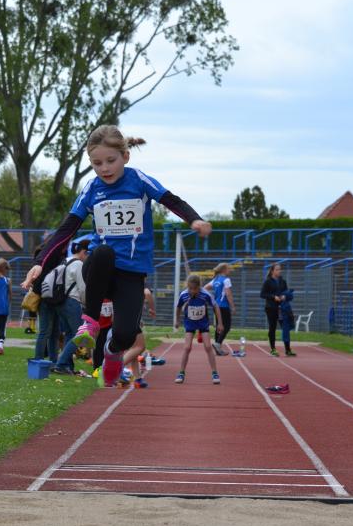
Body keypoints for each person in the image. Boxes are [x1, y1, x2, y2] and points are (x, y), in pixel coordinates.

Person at [22, 125, 212, 387]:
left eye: (110, 161)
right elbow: (67, 229)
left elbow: (171, 200)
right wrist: (39, 263)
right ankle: (89, 323)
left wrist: (194, 219)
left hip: (131, 273)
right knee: (103, 252)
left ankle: (112, 354)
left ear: (125, 156)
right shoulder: (92, 188)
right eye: (97, 163)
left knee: (126, 334)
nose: (104, 168)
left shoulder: (138, 181)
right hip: (100, 270)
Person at [50, 239, 90, 374]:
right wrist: (86, 303)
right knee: (79, 335)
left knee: (69, 334)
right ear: (83, 252)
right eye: (88, 255)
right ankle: (61, 364)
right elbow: (82, 288)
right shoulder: (79, 264)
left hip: (59, 301)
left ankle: (67, 366)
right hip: (72, 301)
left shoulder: (64, 261)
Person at [174, 274, 223, 385]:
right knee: (187, 347)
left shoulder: (205, 294)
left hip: (202, 322)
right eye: (190, 288)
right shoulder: (184, 295)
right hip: (190, 322)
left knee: (208, 346)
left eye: (195, 289)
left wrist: (220, 323)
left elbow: (216, 306)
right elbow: (178, 307)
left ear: (199, 287)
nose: (192, 291)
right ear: (187, 286)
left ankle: (215, 373)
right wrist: (177, 320)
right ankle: (181, 373)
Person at [260, 263, 296, 357]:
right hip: (271, 308)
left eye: (280, 269)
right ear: (272, 271)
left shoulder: (283, 281)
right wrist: (273, 297)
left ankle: (288, 350)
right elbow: (262, 294)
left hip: (282, 308)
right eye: (277, 269)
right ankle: (273, 349)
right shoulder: (268, 281)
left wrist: (284, 296)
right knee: (272, 328)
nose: (279, 271)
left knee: (285, 327)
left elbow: (286, 292)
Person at [205, 262, 235, 356]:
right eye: (228, 268)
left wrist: (211, 298)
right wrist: (232, 306)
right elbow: (228, 294)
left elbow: (204, 288)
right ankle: (218, 343)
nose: (230, 270)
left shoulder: (215, 280)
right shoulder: (226, 280)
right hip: (224, 306)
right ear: (224, 270)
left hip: (216, 305)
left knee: (219, 326)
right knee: (227, 326)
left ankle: (218, 348)